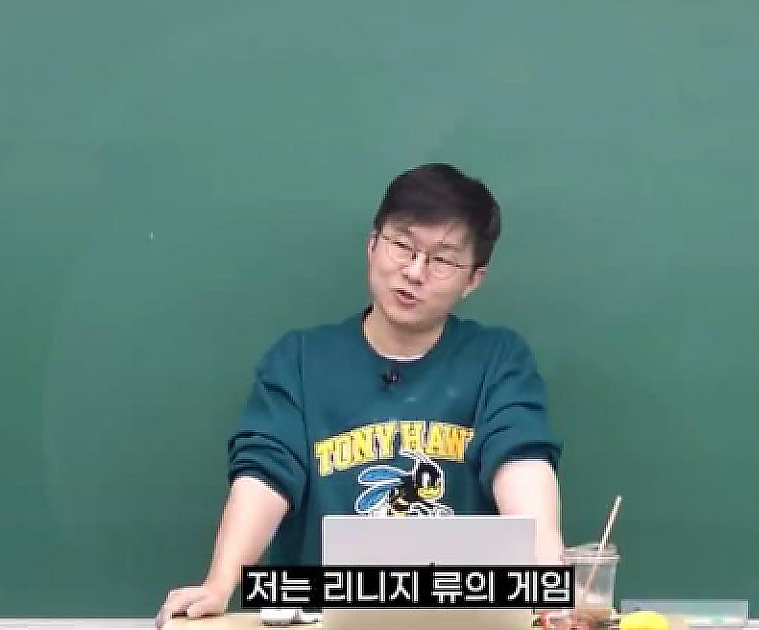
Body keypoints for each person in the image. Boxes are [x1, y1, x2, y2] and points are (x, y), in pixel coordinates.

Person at [156, 163, 566, 627]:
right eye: (402, 246)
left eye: (443, 260)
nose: (414, 272)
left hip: (459, 614)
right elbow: (265, 475)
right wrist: (221, 582)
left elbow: (520, 460)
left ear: (472, 279)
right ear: (373, 244)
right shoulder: (299, 360)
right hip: (316, 612)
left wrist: (547, 577)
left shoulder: (497, 359)